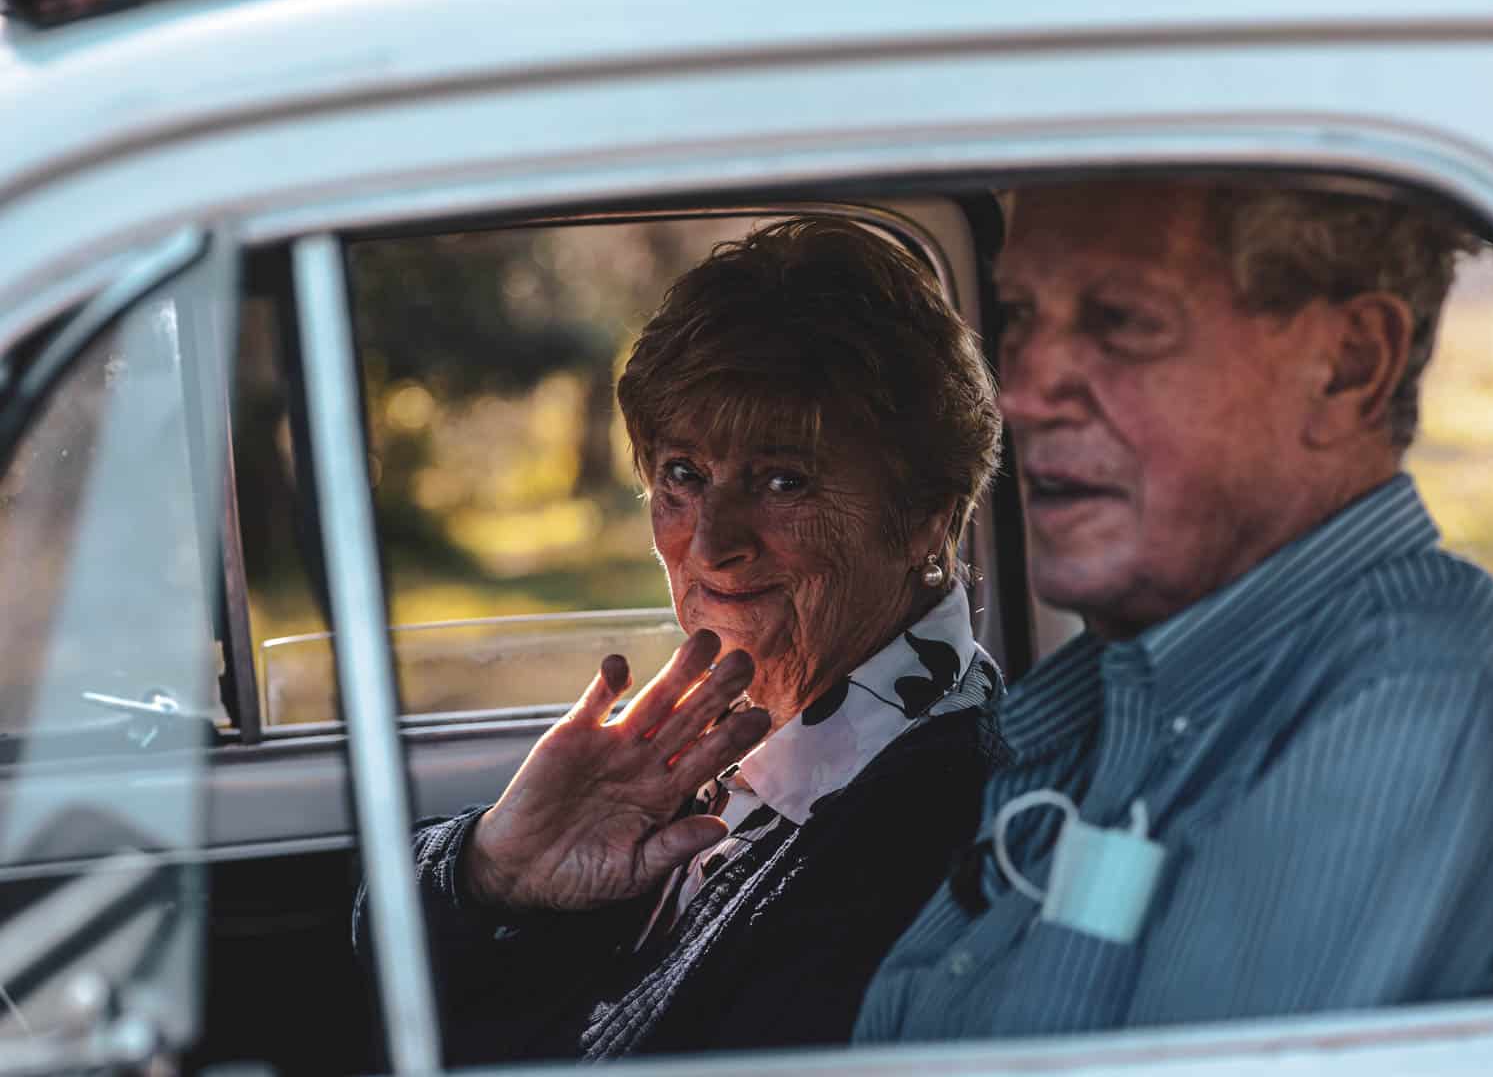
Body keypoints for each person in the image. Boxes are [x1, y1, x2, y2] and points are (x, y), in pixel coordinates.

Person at [854, 180, 1493, 1040]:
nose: (1023, 391)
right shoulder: (1138, 688)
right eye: (1021, 313)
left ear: (1348, 366)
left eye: (1119, 322)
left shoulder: (1413, 712)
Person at [354, 218, 1006, 1061]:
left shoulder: (936, 821)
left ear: (928, 516)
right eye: (682, 476)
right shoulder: (733, 741)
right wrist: (492, 870)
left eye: (783, 480)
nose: (708, 544)